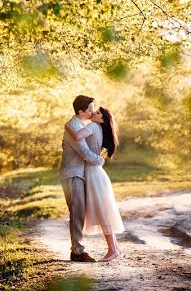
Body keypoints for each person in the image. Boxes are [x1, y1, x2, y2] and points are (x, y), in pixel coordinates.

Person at [68, 106, 124, 262]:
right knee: (103, 210)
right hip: (96, 172)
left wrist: (69, 127)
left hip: (93, 173)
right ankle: (115, 247)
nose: (93, 113)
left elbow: (78, 137)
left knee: (101, 211)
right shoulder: (98, 127)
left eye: (97, 113)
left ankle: (112, 249)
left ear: (102, 119)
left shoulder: (92, 126)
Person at [59, 95, 105, 262]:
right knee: (77, 212)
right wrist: (101, 161)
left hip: (77, 174)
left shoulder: (79, 125)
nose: (92, 111)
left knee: (79, 212)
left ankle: (77, 249)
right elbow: (85, 153)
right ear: (81, 111)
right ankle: (78, 251)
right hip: (72, 174)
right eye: (90, 109)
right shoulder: (74, 125)